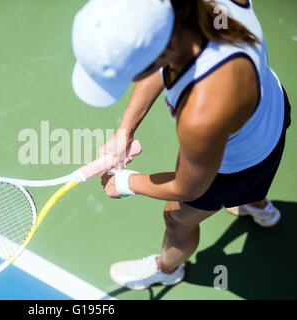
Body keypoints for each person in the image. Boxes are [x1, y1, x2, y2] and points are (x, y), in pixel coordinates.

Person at [71, 0, 291, 289]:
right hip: (270, 114)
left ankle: (166, 270)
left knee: (176, 217)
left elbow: (188, 187)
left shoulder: (202, 113)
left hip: (236, 163)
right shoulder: (180, 13)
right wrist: (126, 129)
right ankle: (258, 206)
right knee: (249, 178)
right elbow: (162, 62)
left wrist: (125, 183)